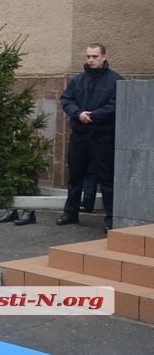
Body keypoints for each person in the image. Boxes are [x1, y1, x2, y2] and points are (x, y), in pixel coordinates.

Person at [57, 43, 123, 232]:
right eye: (88, 56)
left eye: (94, 56)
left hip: (102, 137)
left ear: (104, 57)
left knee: (106, 179)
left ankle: (111, 219)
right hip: (79, 135)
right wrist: (79, 114)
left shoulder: (116, 80)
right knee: (75, 177)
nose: (90, 60)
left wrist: (93, 116)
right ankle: (70, 213)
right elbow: (66, 99)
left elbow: (117, 105)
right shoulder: (78, 80)